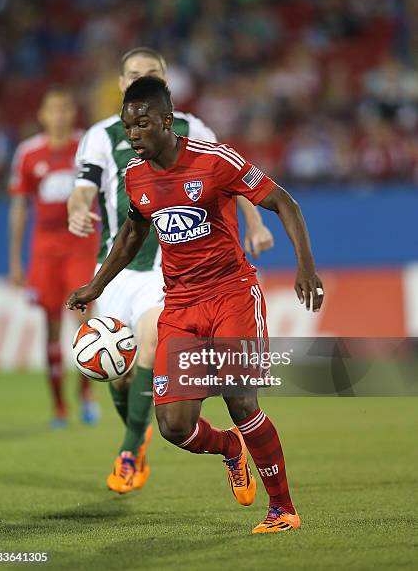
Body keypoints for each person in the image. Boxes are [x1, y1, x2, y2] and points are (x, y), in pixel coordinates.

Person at [66, 77, 324, 534]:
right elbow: (132, 234)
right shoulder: (136, 175)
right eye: (128, 127)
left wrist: (306, 266)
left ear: (167, 120)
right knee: (174, 427)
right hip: (180, 305)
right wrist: (96, 285)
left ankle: (282, 508)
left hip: (230, 294)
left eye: (142, 124)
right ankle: (229, 448)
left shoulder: (214, 160)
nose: (134, 134)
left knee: (241, 400)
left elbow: (284, 202)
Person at [67, 47, 274, 494]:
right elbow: (83, 189)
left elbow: (230, 176)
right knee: (118, 375)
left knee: (149, 338)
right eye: (134, 74)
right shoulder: (99, 136)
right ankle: (170, 436)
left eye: (152, 73)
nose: (142, 77)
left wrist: (255, 221)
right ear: (122, 84)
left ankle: (128, 453)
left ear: (165, 87)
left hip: (170, 268)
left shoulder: (192, 129)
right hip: (117, 264)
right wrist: (76, 211)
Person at [9, 86, 99, 429]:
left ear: (72, 112)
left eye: (65, 109)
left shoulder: (87, 146)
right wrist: (16, 262)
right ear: (42, 115)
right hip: (45, 249)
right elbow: (19, 206)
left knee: (85, 322)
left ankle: (87, 394)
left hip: (81, 243)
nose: (59, 115)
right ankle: (60, 405)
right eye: (53, 110)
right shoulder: (29, 153)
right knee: (50, 325)